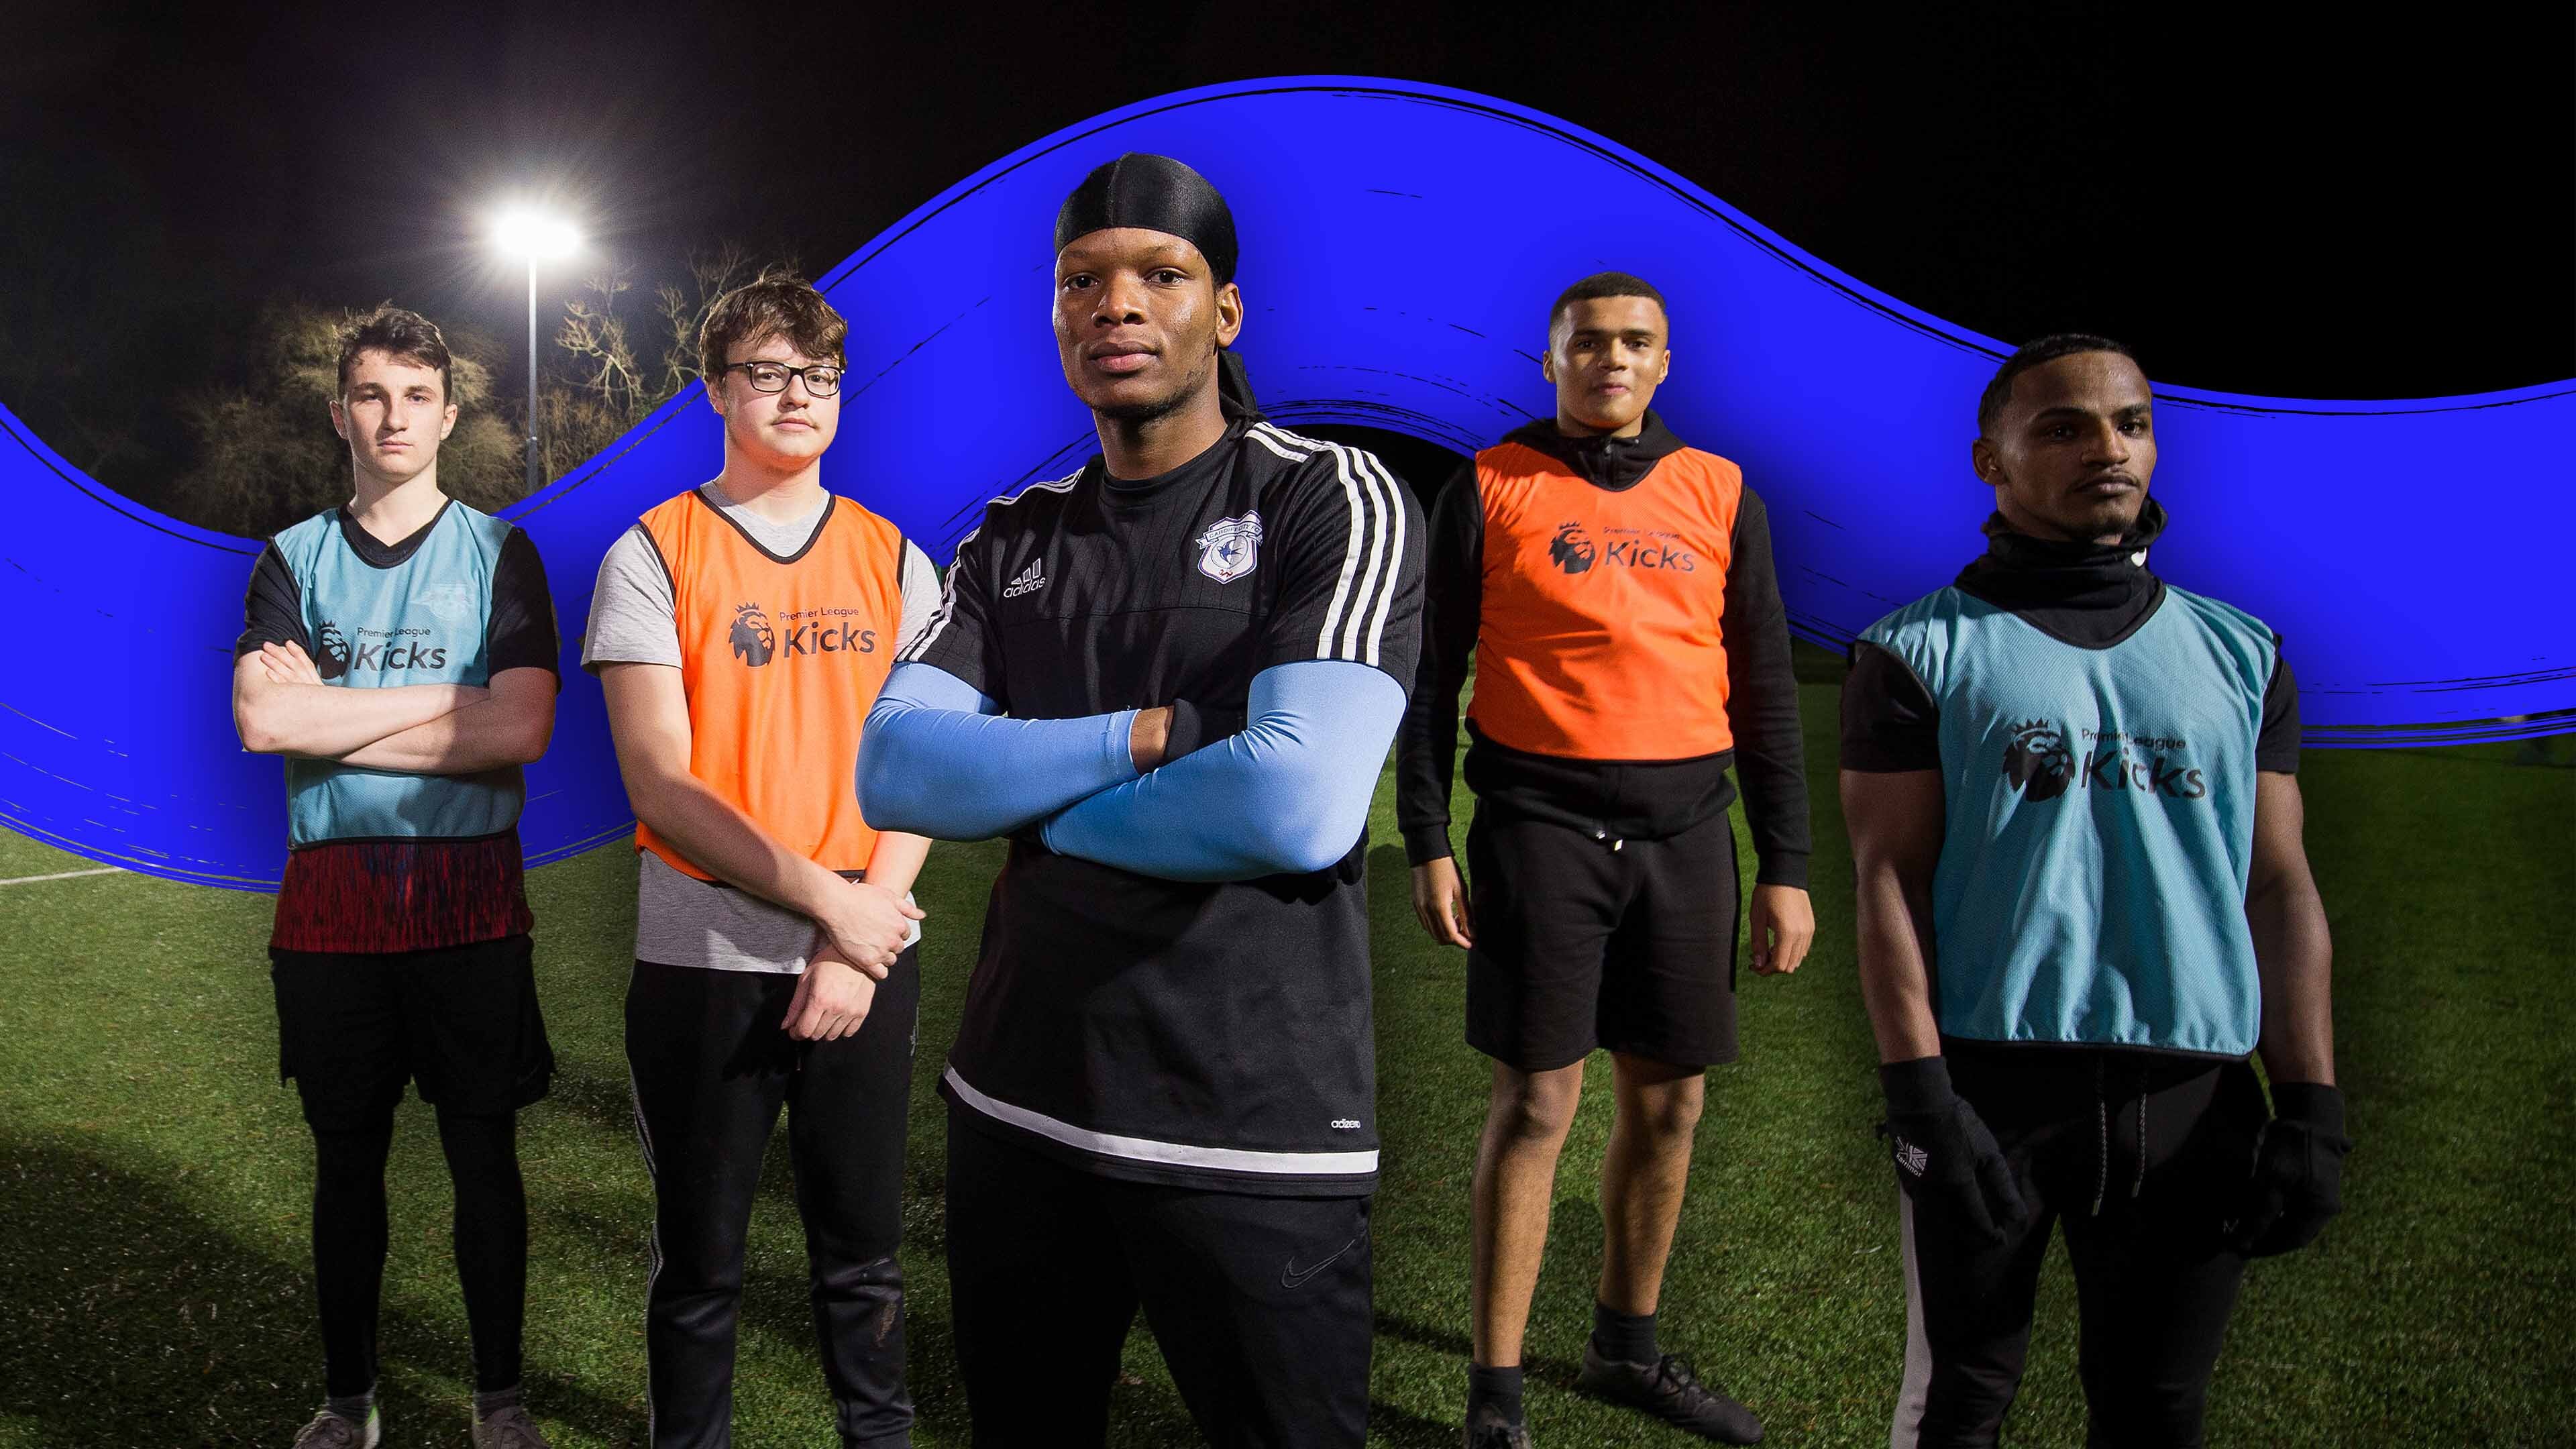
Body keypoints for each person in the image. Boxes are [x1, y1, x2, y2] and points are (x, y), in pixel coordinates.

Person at [856, 152, 1425, 1449]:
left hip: (1249, 1119)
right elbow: (896, 770)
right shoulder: (1014, 536)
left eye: (1158, 276)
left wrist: (1035, 808)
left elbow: (1296, 803)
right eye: (1081, 282)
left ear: (1223, 314)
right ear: (1056, 315)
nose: (1115, 306)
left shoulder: (1324, 497)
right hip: (1020, 1100)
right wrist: (1153, 737)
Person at [1840, 335, 2348, 1448]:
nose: (2107, 448)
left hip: (2196, 1098)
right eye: (2063, 427)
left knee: (2159, 1411)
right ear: (1992, 461)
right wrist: (1922, 1099)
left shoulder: (2243, 652)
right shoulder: (1918, 651)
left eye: (2130, 423)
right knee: (1961, 1404)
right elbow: (1888, 885)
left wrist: (2310, 1101)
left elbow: (2278, 882)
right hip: (1992, 1095)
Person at [1396, 272, 1812, 1448]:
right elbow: (1431, 681)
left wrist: (1785, 860)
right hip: (1539, 831)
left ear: (1665, 364)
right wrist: (1427, 839)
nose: (1612, 361)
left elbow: (1766, 689)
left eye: (1636, 344)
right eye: (1589, 344)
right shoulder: (1486, 484)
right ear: (1551, 361)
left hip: (1688, 838)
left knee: (1669, 1103)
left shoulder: (1721, 492)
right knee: (1536, 1102)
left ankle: (1626, 1348)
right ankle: (1496, 1393)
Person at [586, 272, 939, 1449]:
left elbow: (923, 773)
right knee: (701, 1269)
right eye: (770, 373)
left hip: (867, 961)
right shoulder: (653, 552)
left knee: (864, 1265)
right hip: (704, 960)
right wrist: (834, 911)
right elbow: (663, 789)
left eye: (820, 374)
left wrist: (862, 935)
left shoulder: (898, 562)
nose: (800, 395)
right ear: (715, 390)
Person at [231, 306, 561, 1449]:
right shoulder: (293, 558)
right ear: (340, 413)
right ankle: (349, 1400)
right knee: (346, 1166)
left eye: (417, 396)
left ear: (449, 414)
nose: (394, 416)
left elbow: (520, 728)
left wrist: (332, 718)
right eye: (372, 395)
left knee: (484, 1157)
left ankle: (500, 1399)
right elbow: (263, 720)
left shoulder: (499, 554)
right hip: (330, 900)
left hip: (469, 895)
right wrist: (445, 706)